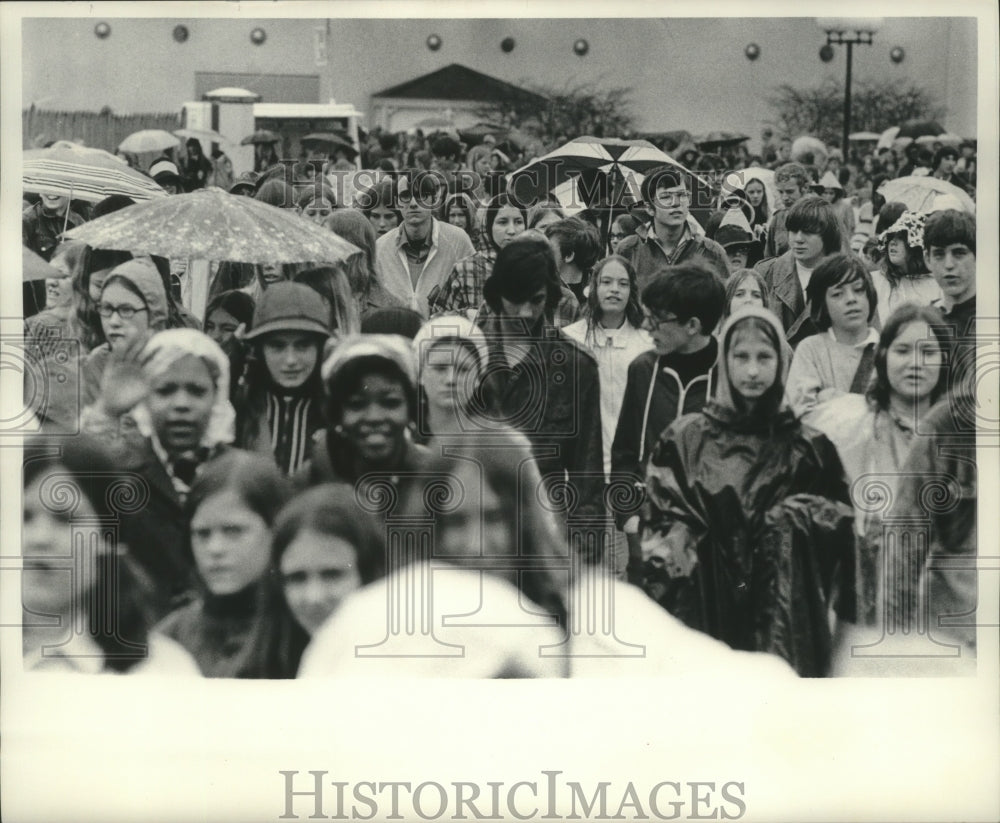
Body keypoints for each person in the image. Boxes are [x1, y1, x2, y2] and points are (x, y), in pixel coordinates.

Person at [641, 307, 854, 675]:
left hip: (785, 622)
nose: (753, 370)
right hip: (705, 620)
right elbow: (662, 530)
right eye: (741, 357)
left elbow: (841, 535)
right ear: (725, 361)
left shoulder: (808, 449)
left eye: (764, 357)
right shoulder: (686, 440)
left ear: (781, 362)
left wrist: (794, 523)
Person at [808, 304, 949, 636]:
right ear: (883, 356)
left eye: (928, 351)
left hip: (937, 617)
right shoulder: (847, 425)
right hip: (859, 611)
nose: (915, 363)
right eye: (902, 350)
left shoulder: (959, 442)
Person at [81, 329, 239, 620]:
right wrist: (106, 411)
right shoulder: (124, 474)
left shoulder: (238, 476)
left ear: (217, 396)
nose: (181, 403)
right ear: (145, 398)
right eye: (165, 390)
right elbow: (71, 484)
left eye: (197, 390)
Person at [22, 435, 201, 675]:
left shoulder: (160, 671)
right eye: (23, 517)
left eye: (65, 519)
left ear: (108, 539)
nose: (39, 538)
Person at [475, 235, 605, 538]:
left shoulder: (575, 365)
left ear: (549, 297)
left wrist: (584, 560)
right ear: (496, 295)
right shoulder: (467, 355)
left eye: (535, 301)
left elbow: (588, 477)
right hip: (476, 522)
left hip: (546, 529)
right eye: (515, 300)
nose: (524, 312)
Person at [611, 264, 725, 580]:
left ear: (692, 325)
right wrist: (629, 519)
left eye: (657, 320)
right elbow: (624, 455)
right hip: (649, 536)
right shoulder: (642, 370)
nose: (647, 328)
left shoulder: (730, 376)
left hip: (714, 544)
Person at [155, 452, 307, 678]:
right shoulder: (171, 638)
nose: (215, 549)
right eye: (202, 534)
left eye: (234, 531)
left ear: (277, 531)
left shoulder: (304, 631)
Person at [562, 256, 653, 579]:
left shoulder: (646, 344)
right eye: (606, 282)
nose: (614, 289)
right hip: (582, 474)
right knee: (586, 571)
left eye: (623, 283)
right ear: (593, 287)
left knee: (625, 570)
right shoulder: (570, 340)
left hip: (629, 475)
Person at [298, 334, 432, 495]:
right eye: (356, 405)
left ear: (410, 408)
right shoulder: (307, 482)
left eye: (390, 403)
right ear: (336, 413)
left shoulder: (436, 476)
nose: (374, 417)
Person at [234, 282, 331, 476]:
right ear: (260, 350)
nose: (291, 360)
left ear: (320, 349)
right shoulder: (241, 405)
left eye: (303, 346)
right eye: (277, 346)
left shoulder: (335, 409)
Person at [271, 484, 386, 637]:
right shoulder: (258, 660)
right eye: (297, 578)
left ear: (370, 575)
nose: (314, 597)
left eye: (332, 575)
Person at [785, 254, 880, 420]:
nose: (851, 299)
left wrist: (831, 398)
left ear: (870, 295)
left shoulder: (887, 349)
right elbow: (801, 415)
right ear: (823, 305)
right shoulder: (811, 350)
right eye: (837, 294)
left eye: (858, 290)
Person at [373, 170, 475, 317]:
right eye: (406, 196)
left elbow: (475, 300)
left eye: (422, 195)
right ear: (397, 202)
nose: (414, 203)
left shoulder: (458, 241)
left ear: (434, 199)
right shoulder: (381, 248)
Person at [616, 165, 730, 293]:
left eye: (682, 195)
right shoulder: (628, 250)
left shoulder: (712, 251)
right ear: (649, 208)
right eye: (666, 197)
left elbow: (725, 305)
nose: (676, 203)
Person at [754, 195, 842, 348]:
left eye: (808, 232)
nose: (798, 239)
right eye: (793, 231)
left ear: (827, 234)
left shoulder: (846, 277)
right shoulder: (765, 272)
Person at [81, 258, 170, 408]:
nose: (114, 321)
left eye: (126, 310)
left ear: (153, 314)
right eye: (107, 309)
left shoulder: (177, 363)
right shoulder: (95, 364)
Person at [429, 193, 527, 317]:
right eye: (503, 222)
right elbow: (436, 319)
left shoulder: (538, 266)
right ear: (489, 226)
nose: (512, 230)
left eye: (518, 222)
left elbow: (555, 319)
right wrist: (467, 315)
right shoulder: (466, 269)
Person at [412, 313, 490, 444]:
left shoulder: (501, 445)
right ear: (420, 375)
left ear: (478, 378)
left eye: (463, 369)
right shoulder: (402, 442)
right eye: (440, 368)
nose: (451, 379)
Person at [923, 209, 976, 395]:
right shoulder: (925, 319)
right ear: (927, 259)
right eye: (939, 254)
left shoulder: (989, 315)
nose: (949, 264)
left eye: (959, 253)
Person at [869, 208, 941, 326]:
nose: (892, 242)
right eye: (891, 236)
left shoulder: (936, 285)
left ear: (916, 246)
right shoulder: (874, 281)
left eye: (901, 238)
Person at [544, 216, 602, 306]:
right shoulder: (542, 287)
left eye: (549, 249)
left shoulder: (600, 289)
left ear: (569, 255)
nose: (543, 253)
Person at [763, 162, 810, 259]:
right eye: (781, 192)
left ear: (805, 188)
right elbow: (769, 258)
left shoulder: (820, 215)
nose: (784, 198)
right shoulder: (778, 218)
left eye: (790, 192)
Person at [813, 170, 855, 251]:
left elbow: (850, 226)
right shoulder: (817, 205)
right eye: (825, 193)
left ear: (836, 193)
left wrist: (847, 244)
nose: (828, 196)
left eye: (831, 193)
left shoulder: (845, 206)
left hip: (841, 242)